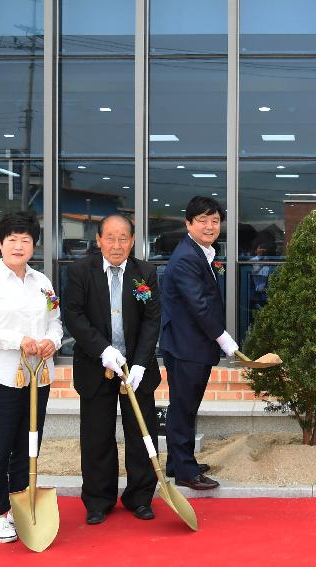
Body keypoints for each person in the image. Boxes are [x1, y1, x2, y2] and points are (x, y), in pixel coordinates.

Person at [0, 211, 62, 543]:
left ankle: (20, 504)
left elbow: (55, 323)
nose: (19, 246)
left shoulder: (43, 283)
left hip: (38, 378)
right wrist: (16, 340)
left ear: (34, 245)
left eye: (26, 240)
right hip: (1, 378)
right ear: (0, 244)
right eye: (12, 240)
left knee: (28, 445)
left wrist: (52, 341)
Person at [62, 213, 162, 525]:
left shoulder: (144, 271)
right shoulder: (81, 271)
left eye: (123, 239)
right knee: (96, 437)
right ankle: (98, 500)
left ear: (133, 241)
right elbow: (73, 315)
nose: (116, 245)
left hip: (136, 369)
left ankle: (140, 497)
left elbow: (151, 319)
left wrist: (142, 363)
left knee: (141, 434)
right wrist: (103, 350)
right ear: (99, 240)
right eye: (110, 238)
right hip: (95, 366)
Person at [160, 195, 237, 490]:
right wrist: (225, 340)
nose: (209, 226)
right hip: (186, 346)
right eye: (202, 220)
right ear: (188, 223)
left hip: (190, 345)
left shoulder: (200, 252)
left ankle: (177, 462)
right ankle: (185, 472)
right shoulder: (187, 258)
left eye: (215, 221)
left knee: (184, 406)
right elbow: (199, 306)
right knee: (183, 407)